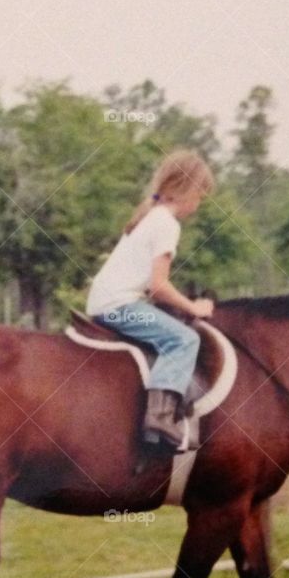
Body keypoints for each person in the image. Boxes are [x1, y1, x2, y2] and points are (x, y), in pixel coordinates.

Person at [86, 150, 216, 450]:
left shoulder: (149, 216)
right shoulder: (167, 224)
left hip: (110, 301)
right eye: (200, 195)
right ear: (186, 189)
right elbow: (159, 286)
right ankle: (160, 417)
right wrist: (194, 307)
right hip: (120, 306)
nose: (198, 205)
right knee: (184, 340)